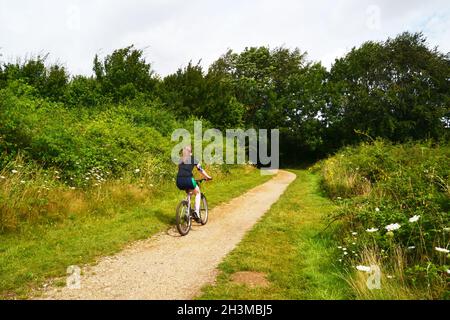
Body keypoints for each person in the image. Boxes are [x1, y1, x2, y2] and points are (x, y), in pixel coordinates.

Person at [176, 146, 212, 221]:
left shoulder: (180, 160)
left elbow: (181, 170)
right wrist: (208, 177)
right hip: (188, 179)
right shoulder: (193, 159)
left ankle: (187, 211)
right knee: (198, 192)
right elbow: (200, 169)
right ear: (191, 153)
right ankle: (196, 213)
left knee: (189, 192)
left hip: (179, 181)